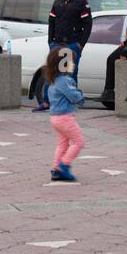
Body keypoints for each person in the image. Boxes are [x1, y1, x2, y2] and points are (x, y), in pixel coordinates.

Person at [35, 0, 91, 111]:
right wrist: (51, 42)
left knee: (70, 74)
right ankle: (47, 102)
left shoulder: (81, 3)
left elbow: (88, 25)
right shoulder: (57, 3)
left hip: (72, 44)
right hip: (56, 44)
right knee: (51, 73)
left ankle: (72, 102)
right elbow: (51, 22)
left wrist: (80, 44)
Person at [44, 47, 86, 182]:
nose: (74, 64)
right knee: (79, 142)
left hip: (55, 118)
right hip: (65, 118)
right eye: (72, 62)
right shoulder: (64, 80)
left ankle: (56, 169)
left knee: (62, 144)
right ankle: (64, 165)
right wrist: (80, 96)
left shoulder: (54, 79)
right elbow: (74, 96)